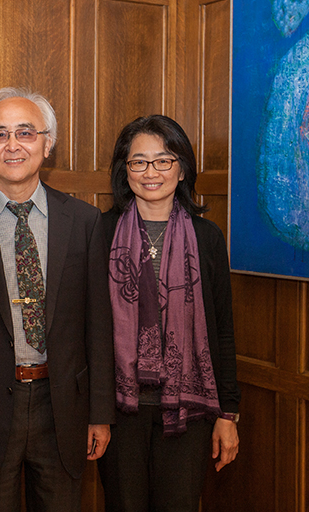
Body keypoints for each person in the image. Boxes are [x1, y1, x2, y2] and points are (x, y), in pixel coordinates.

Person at [0, 87, 115, 512]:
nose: (12, 145)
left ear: (47, 144)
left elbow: (99, 325)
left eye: (25, 133)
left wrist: (100, 412)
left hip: (65, 410)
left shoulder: (85, 221)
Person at [97, 115, 240, 512]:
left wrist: (228, 414)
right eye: (138, 162)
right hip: (118, 410)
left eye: (163, 160)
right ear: (124, 171)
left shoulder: (207, 237)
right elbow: (87, 329)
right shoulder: (100, 232)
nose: (151, 172)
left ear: (182, 169)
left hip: (189, 412)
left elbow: (223, 331)